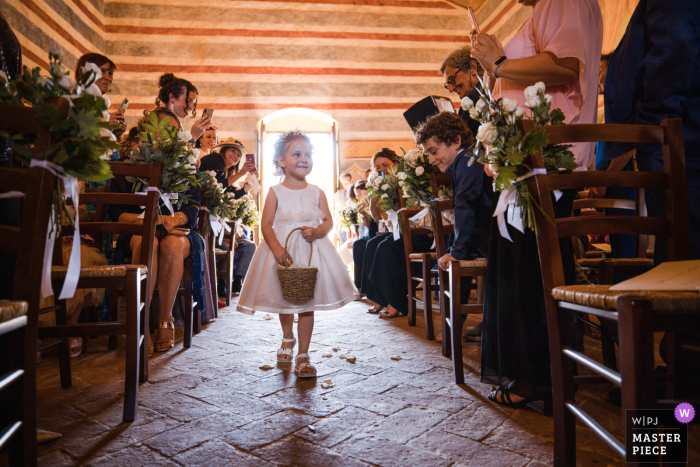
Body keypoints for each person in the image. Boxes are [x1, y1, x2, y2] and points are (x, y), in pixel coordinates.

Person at [470, 0, 603, 409]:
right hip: (530, 164)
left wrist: (501, 63)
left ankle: (539, 379)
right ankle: (538, 375)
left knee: (532, 276)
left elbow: (565, 67)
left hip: (545, 163)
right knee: (526, 271)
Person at [237, 130, 359, 378]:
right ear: (281, 161)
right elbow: (266, 224)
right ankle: (287, 336)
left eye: (308, 154)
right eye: (297, 154)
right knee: (286, 300)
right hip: (283, 254)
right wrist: (277, 248)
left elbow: (328, 222)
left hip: (311, 254)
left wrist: (317, 232)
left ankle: (303, 354)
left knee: (306, 303)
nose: (304, 159)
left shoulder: (317, 192)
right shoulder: (274, 192)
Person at [599, 0, 699, 262]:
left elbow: (673, 46)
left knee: (680, 266)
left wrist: (650, 133)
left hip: (680, 147)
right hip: (678, 139)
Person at [109, 108, 205, 355]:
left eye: (172, 129)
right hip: (139, 229)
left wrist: (175, 218)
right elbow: (117, 213)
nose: (164, 133)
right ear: (145, 129)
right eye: (158, 126)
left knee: (171, 245)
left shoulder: (187, 165)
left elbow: (193, 209)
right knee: (146, 243)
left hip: (179, 230)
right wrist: (148, 220)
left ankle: (165, 319)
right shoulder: (126, 166)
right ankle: (140, 325)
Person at [415, 112, 493, 342]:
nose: (431, 159)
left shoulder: (468, 162)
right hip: (482, 236)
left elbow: (465, 206)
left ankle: (453, 327)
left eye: (433, 151)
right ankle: (453, 326)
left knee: (454, 257)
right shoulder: (463, 162)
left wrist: (456, 253)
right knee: (454, 252)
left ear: (456, 141)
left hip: (489, 239)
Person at [363, 149, 434, 318]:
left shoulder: (409, 180)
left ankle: (398, 302)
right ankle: (379, 297)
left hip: (423, 232)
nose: (382, 169)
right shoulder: (386, 186)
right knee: (371, 244)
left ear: (395, 163)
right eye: (378, 167)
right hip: (402, 232)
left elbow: (419, 209)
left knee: (386, 248)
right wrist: (374, 199)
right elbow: (379, 217)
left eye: (385, 165)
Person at [200, 139, 257, 296]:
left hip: (214, 219)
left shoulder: (226, 172)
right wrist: (241, 173)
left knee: (241, 245)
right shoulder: (215, 159)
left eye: (239, 155)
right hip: (202, 215)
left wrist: (249, 184)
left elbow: (231, 194)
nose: (236, 156)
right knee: (228, 245)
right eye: (233, 151)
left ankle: (233, 283)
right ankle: (221, 285)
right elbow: (217, 184)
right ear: (223, 151)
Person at [75, 53, 126, 139]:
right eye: (102, 71)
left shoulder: (100, 105)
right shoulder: (76, 100)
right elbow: (73, 135)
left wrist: (114, 134)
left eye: (110, 73)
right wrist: (103, 122)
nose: (108, 78)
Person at [153, 73, 213, 141]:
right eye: (188, 101)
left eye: (193, 102)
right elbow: (170, 151)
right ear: (172, 97)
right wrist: (194, 136)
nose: (191, 106)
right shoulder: (162, 120)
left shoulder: (173, 119)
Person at [439, 45, 484, 136]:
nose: (451, 89)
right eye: (448, 84)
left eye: (452, 79)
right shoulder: (490, 89)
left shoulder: (473, 99)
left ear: (472, 67)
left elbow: (464, 147)